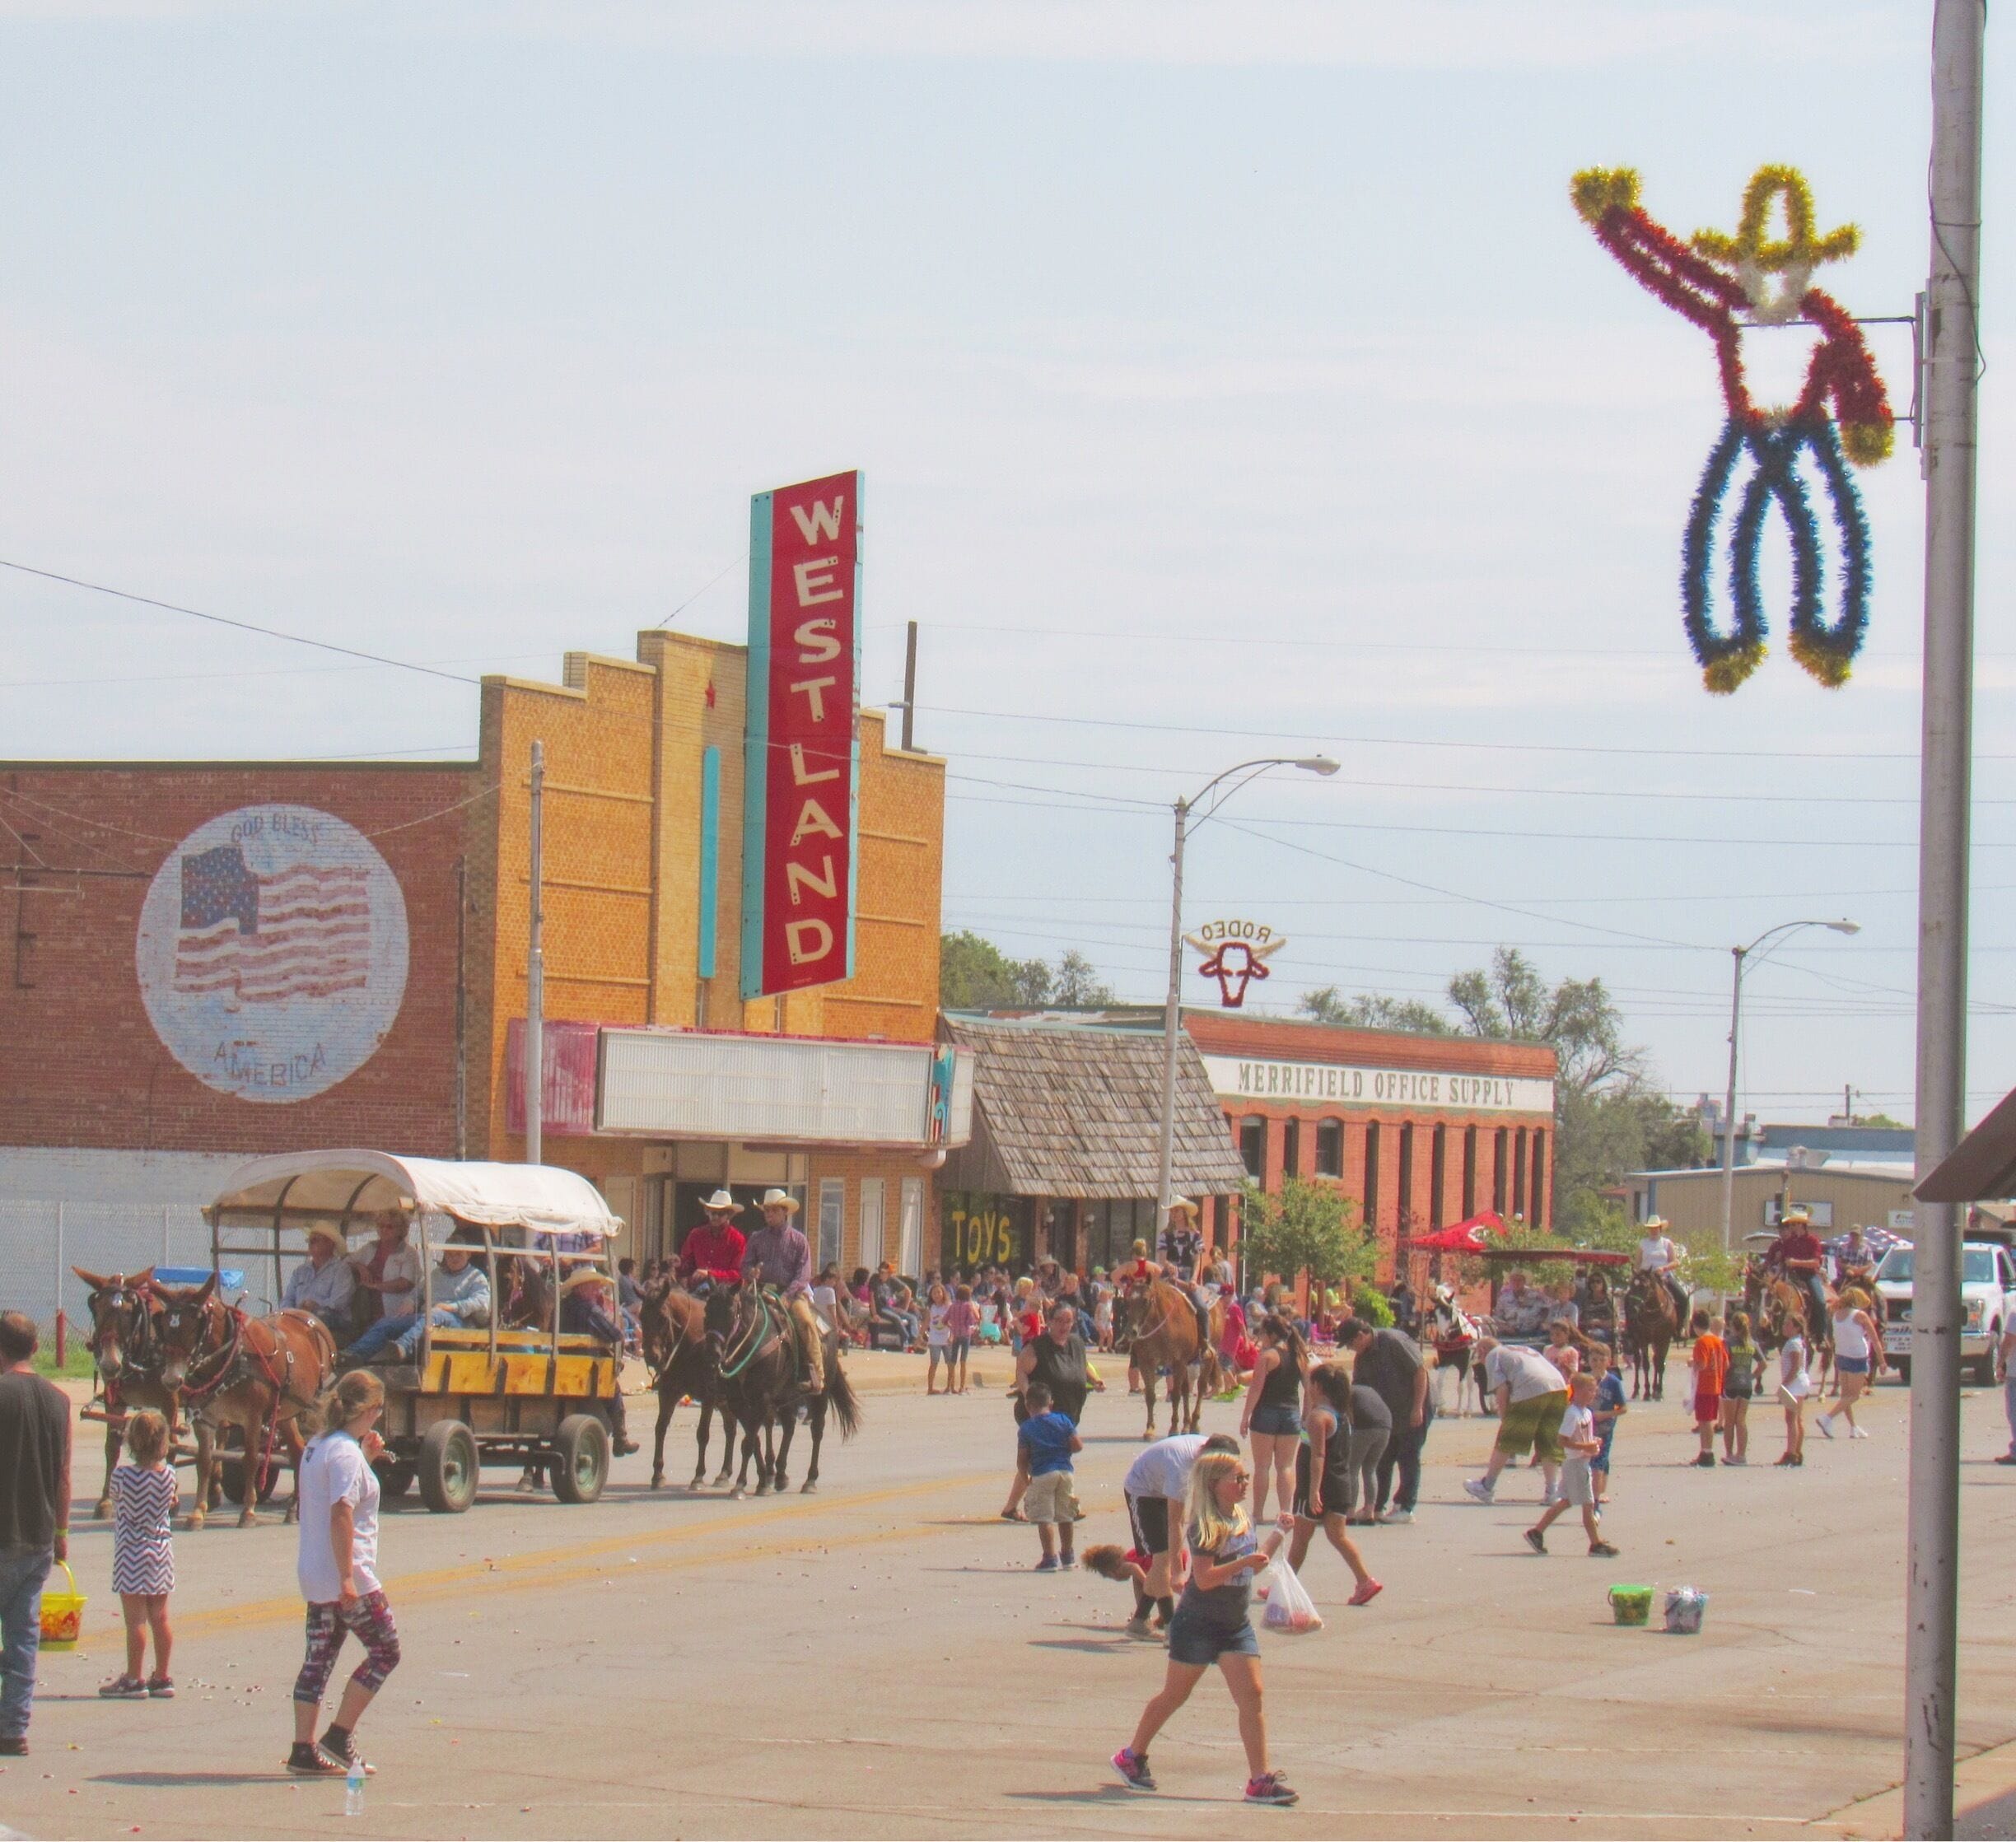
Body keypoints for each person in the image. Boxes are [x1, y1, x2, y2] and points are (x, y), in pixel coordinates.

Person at [1110, 1450, 1299, 1807]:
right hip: (1196, 1625)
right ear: (1215, 1485)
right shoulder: (1205, 1527)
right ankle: (1131, 1756)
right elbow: (1204, 1578)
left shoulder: (1241, 1517)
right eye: (1238, 1479)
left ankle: (1260, 1780)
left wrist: (1277, 1534)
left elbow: (1252, 1569)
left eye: (1245, 1477)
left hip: (1234, 1625)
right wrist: (1243, 1560)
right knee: (1174, 1696)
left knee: (1252, 1695)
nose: (1245, 1484)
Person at [289, 1370, 399, 1778]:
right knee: (386, 1650)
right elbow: (341, 1512)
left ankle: (303, 1748)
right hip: (346, 1575)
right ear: (370, 1411)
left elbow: (333, 1492)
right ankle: (338, 1736)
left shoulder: (318, 1446)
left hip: (314, 1574)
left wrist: (365, 1457)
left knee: (318, 1659)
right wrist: (348, 1579)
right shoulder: (345, 1455)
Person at [0, 1310, 71, 1757]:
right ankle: (14, 1728)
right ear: (37, 1348)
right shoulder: (59, 1399)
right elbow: (64, 1475)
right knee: (24, 1637)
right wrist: (61, 1530)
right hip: (39, 1536)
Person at [1120, 1431, 1242, 1635]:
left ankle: (1138, 1622)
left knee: (1162, 1562)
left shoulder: (1210, 1456)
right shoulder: (1182, 1468)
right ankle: (1172, 1626)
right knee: (1162, 1560)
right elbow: (1175, 1522)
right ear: (1206, 1455)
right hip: (1144, 1491)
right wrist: (1178, 1572)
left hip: (1164, 1484)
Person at [1288, 1364, 1383, 1606]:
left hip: (1317, 1485)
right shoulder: (1342, 1415)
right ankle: (1365, 1580)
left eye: (1310, 1383)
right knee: (1337, 1536)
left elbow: (1317, 1456)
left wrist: (1313, 1491)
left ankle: (1286, 1586)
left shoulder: (1319, 1418)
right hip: (1340, 1484)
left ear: (1318, 1387)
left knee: (1300, 1538)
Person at [99, 1408, 177, 1700]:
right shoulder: (168, 1475)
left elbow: (117, 1498)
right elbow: (171, 1500)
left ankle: (134, 1678)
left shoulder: (122, 1475)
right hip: (160, 1550)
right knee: (161, 1617)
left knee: (135, 1622)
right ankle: (163, 1676)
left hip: (131, 1551)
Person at [1339, 1315, 1431, 1524]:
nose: (1351, 1350)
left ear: (1362, 1335)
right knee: (1383, 1459)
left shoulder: (1392, 1341)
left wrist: (1417, 1408)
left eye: (1351, 1344)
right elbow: (1358, 1389)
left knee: (1408, 1456)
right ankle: (1377, 1507)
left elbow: (1420, 1372)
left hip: (1413, 1406)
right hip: (1387, 1416)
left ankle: (1405, 1507)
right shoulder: (1362, 1358)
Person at [342, 1238, 492, 1365]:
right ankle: (354, 1354)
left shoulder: (476, 1277)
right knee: (388, 1323)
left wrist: (452, 1307)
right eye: (449, 1254)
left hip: (458, 1324)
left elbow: (481, 1302)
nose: (453, 1258)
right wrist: (410, 1301)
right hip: (428, 1317)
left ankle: (402, 1347)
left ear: (468, 1254)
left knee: (436, 1313)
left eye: (458, 1254)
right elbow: (418, 1291)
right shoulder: (436, 1274)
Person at [1463, 1337, 1570, 1505]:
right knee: (1548, 1441)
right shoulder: (1518, 1349)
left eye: (1479, 1356)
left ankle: (1487, 1486)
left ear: (1483, 1351)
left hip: (1531, 1388)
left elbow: (1502, 1389)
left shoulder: (1494, 1355)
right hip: (1559, 1388)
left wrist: (1506, 1420)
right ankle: (1552, 1491)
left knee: (1507, 1440)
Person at [740, 1191, 824, 1400]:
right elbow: (745, 1265)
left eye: (774, 1210)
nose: (769, 1214)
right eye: (766, 1210)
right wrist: (751, 1272)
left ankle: (817, 1374)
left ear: (784, 1212)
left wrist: (787, 1295)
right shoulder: (756, 1239)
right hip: (761, 1290)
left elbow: (804, 1274)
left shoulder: (799, 1240)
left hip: (792, 1292)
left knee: (805, 1322)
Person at [1523, 1374, 1618, 1557]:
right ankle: (1595, 1544)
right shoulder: (1572, 1414)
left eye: (1595, 1390)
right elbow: (1562, 1440)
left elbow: (1582, 1437)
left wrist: (1592, 1442)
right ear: (1579, 1391)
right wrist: (1585, 1447)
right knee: (1588, 1505)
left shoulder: (1587, 1413)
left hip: (1582, 1462)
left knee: (1566, 1502)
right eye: (1590, 1390)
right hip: (1575, 1464)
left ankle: (1537, 1532)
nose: (1594, 1394)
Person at [558, 1271, 638, 1455]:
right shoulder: (588, 1309)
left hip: (562, 1364)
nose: (598, 1292)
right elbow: (614, 1334)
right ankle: (621, 1438)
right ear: (581, 1289)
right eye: (594, 1288)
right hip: (585, 1369)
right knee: (614, 1391)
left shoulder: (562, 1306)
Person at [1239, 1313, 1308, 1525]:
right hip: (1291, 1414)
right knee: (1285, 1466)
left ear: (1270, 1334)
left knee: (1262, 1466)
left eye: (1262, 1333)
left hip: (1266, 1413)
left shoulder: (1268, 1356)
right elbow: (1309, 1390)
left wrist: (1245, 1416)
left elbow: (1256, 1389)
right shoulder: (1300, 1356)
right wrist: (1305, 1415)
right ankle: (1285, 1511)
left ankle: (1258, 1513)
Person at [1015, 1383, 1082, 1571]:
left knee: (1045, 1517)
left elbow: (1022, 1459)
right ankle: (1068, 1556)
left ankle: (1050, 1557)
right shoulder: (1063, 1420)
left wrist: (1025, 1477)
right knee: (1066, 1515)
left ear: (1028, 1406)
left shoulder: (1027, 1428)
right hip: (1065, 1471)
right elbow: (1078, 1446)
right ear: (1051, 1404)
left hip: (1042, 1473)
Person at [1817, 1288, 1883, 1441]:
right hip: (1857, 1357)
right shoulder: (1860, 1315)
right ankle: (1827, 1418)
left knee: (1846, 1396)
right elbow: (1875, 1340)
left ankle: (1853, 1427)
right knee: (1854, 1396)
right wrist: (1882, 1361)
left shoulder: (1836, 1314)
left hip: (1841, 1356)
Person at [1766, 1207, 1831, 1350]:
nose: (1791, 1227)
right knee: (1771, 1298)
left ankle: (1821, 1335)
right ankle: (1770, 1333)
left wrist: (1796, 1262)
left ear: (1801, 1225)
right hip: (1791, 1276)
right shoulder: (1789, 1242)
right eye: (1791, 1225)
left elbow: (1816, 1263)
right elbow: (1783, 1262)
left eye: (1794, 1224)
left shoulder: (1813, 1240)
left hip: (1809, 1276)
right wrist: (1775, 1277)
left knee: (1820, 1301)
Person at [348, 1211, 422, 1332]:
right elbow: (346, 1262)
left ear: (400, 1230)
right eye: (381, 1226)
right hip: (365, 1308)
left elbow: (405, 1283)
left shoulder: (408, 1253)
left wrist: (374, 1286)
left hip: (393, 1309)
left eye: (390, 1226)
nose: (384, 1229)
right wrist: (360, 1267)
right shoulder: (370, 1247)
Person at [284, 1224, 358, 1337]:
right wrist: (289, 1312)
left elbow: (339, 1302)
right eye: (309, 1241)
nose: (310, 1244)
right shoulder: (300, 1271)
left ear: (330, 1244)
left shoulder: (341, 1269)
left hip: (333, 1318)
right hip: (301, 1316)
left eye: (315, 1240)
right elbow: (288, 1298)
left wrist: (315, 1306)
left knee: (318, 1316)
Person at [676, 1193, 747, 1291]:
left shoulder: (737, 1239)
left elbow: (737, 1275)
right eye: (713, 1213)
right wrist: (678, 1264)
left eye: (721, 1214)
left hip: (725, 1292)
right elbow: (686, 1263)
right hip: (696, 1289)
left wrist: (710, 1275)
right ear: (708, 1212)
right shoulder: (696, 1235)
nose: (716, 1217)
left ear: (729, 1215)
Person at [1635, 1217, 1692, 1330]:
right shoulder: (1643, 1243)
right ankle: (1631, 1327)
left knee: (1683, 1298)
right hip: (1646, 1278)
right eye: (1651, 1228)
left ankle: (1679, 1327)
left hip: (1663, 1277)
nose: (1653, 1231)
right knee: (1630, 1298)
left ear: (1660, 1229)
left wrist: (1664, 1268)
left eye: (1656, 1228)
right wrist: (1636, 1275)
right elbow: (1637, 1263)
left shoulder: (1667, 1243)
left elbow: (1675, 1262)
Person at [1589, 1341, 1627, 1505]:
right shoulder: (1585, 1379)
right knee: (1588, 1460)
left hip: (1604, 1428)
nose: (1597, 1363)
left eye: (1601, 1360)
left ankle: (1595, 1497)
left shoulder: (1613, 1382)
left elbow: (1623, 1408)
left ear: (1608, 1361)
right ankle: (1594, 1490)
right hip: (1586, 1428)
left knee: (1599, 1461)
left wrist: (1606, 1414)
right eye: (1594, 1359)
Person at [1687, 1310, 1728, 1467]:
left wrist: (1692, 1363)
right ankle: (1706, 1451)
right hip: (1716, 1384)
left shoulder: (1702, 1342)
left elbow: (1702, 1364)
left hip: (1704, 1385)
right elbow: (1726, 1363)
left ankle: (1707, 1452)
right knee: (1709, 1420)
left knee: (1704, 1421)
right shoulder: (1717, 1341)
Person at [1721, 1311, 1759, 1465]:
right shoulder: (1752, 1343)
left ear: (1732, 1325)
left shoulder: (1728, 1342)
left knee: (1729, 1421)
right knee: (1741, 1420)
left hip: (1731, 1383)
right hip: (1746, 1385)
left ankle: (1730, 1454)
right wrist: (1752, 1376)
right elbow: (1763, 1364)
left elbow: (1726, 1364)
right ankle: (1741, 1455)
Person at [1775, 1324, 1813, 1467]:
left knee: (1791, 1418)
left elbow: (1795, 1367)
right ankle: (1797, 1451)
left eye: (1788, 1323)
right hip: (1799, 1382)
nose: (1785, 1326)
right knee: (1797, 1419)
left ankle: (1791, 1453)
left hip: (1795, 1383)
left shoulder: (1794, 1343)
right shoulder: (1796, 1341)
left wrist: (1784, 1384)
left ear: (1796, 1327)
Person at [943, 1285, 980, 1395]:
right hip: (965, 1335)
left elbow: (945, 1320)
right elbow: (971, 1321)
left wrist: (952, 1326)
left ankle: (949, 1386)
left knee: (952, 1361)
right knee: (963, 1361)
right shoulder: (968, 1306)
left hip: (955, 1334)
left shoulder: (953, 1306)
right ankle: (962, 1386)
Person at [1492, 1270, 1549, 1337]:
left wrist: (1542, 1323)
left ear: (1524, 1282)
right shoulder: (1504, 1299)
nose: (1516, 1283)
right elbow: (1497, 1317)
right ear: (1510, 1282)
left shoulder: (1536, 1296)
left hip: (1533, 1334)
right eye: (1513, 1280)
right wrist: (1506, 1327)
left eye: (1519, 1280)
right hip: (1510, 1335)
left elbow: (1547, 1310)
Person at [925, 1283, 954, 1396]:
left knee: (950, 1363)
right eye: (934, 1293)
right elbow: (926, 1321)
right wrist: (919, 1336)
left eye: (939, 1292)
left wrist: (952, 1336)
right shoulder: (931, 1308)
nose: (936, 1295)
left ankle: (949, 1386)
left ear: (943, 1293)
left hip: (946, 1338)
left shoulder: (948, 1307)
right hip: (934, 1338)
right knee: (934, 1363)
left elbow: (953, 1323)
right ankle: (930, 1388)